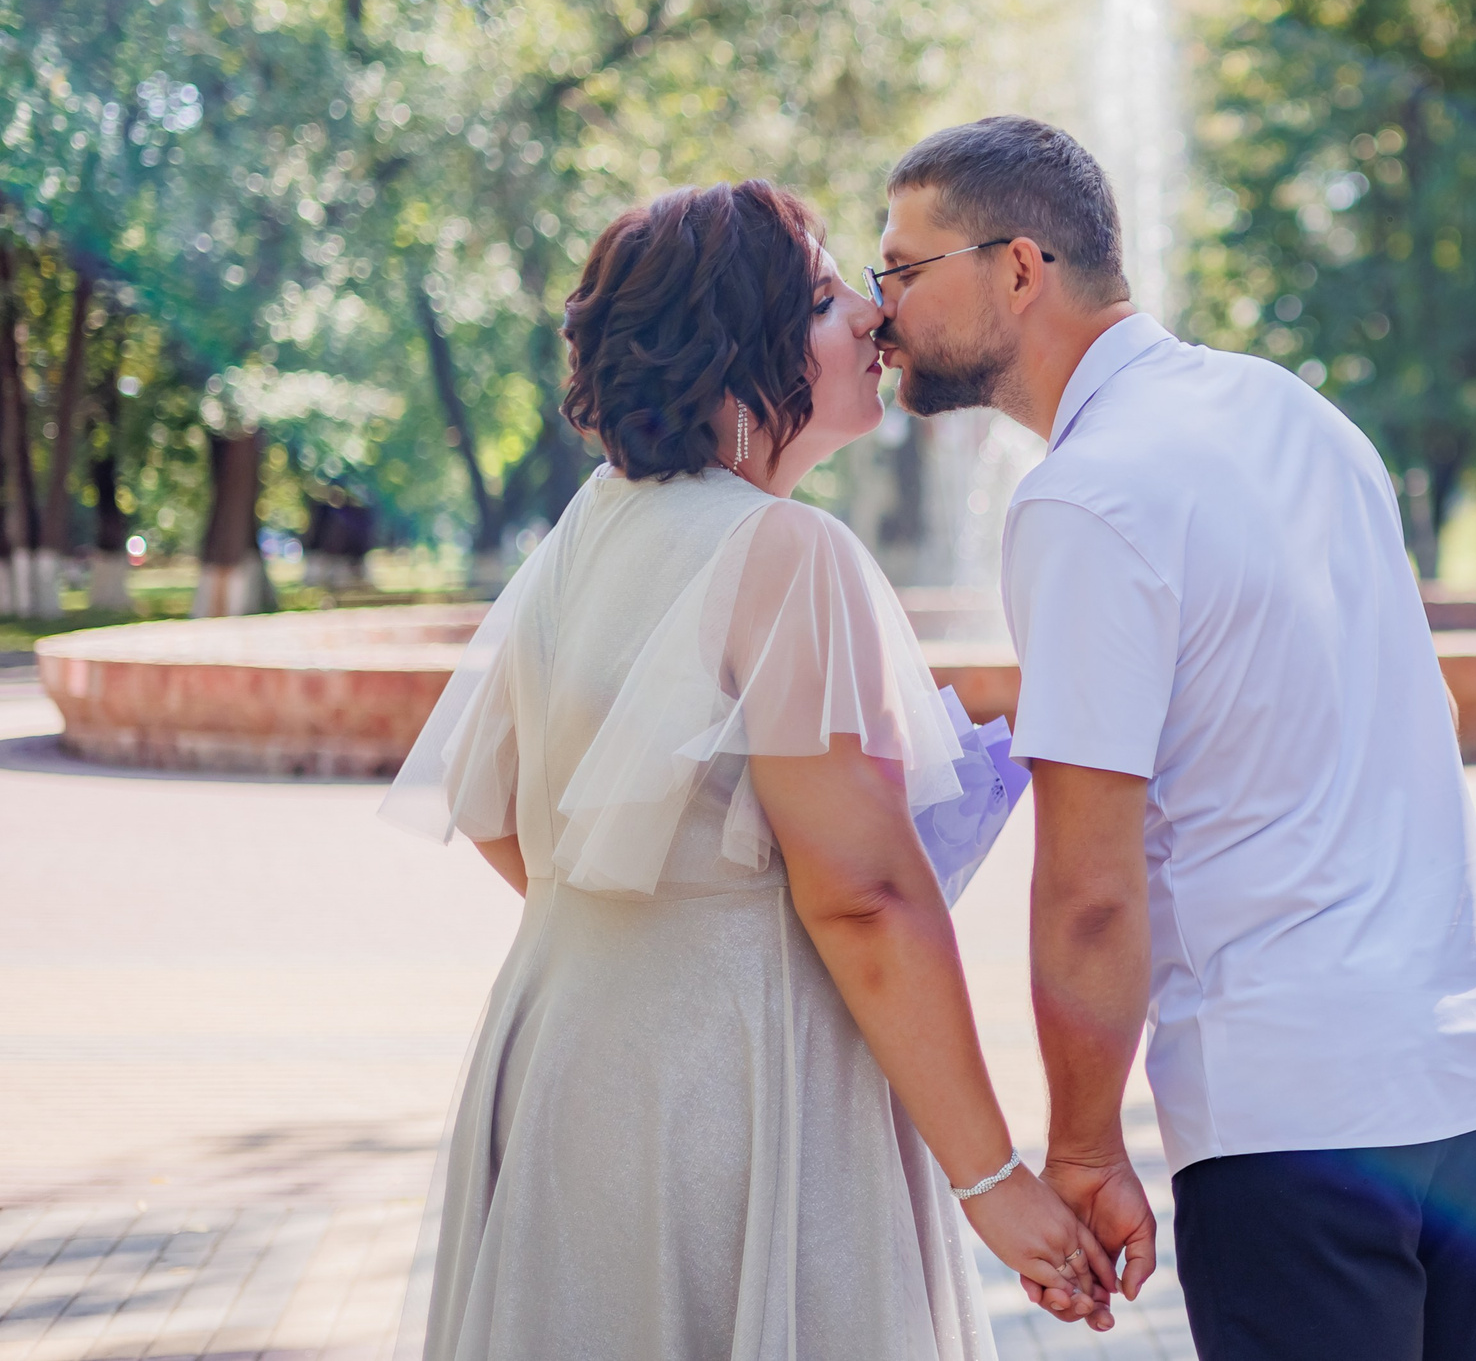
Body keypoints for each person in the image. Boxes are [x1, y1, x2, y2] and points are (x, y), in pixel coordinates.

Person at [380, 179, 1114, 1361]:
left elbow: (496, 808)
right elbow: (863, 901)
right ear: (734, 358)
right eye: (825, 302)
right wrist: (993, 1184)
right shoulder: (785, 551)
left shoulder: (589, 527)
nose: (871, 316)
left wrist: (661, 926)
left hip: (566, 1053)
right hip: (735, 1085)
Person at [870, 117, 1476, 1361]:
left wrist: (1083, 1150)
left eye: (905, 269)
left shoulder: (1084, 497)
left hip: (1298, 1113)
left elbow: (1090, 888)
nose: (881, 310)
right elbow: (1420, 714)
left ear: (1017, 269)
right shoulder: (1294, 411)